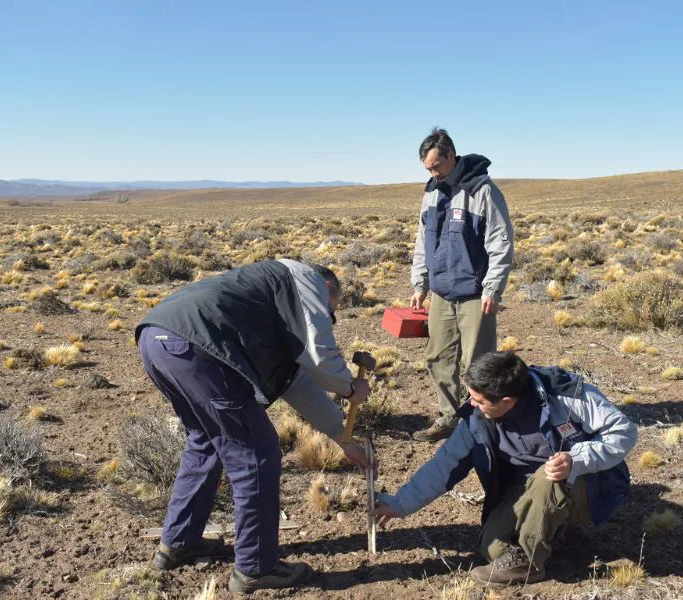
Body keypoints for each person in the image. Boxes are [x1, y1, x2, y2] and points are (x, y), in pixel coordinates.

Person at [135, 259, 373, 594]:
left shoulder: (270, 302)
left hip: (157, 338)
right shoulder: (306, 282)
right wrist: (350, 387)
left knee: (205, 442)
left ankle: (178, 543)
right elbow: (319, 355)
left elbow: (298, 384)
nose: (326, 319)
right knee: (256, 453)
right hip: (198, 348)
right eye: (328, 312)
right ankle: (256, 568)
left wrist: (341, 438)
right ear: (328, 289)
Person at [374, 351, 637, 585]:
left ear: (508, 401)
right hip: (521, 489)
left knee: (551, 472)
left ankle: (530, 564)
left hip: (583, 487)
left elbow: (624, 432)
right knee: (494, 549)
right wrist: (400, 504)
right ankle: (554, 534)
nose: (471, 404)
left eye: (479, 399)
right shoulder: (477, 417)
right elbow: (445, 465)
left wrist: (577, 460)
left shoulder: (565, 394)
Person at [411, 127, 515, 442]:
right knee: (439, 358)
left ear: (451, 156)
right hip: (442, 293)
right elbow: (421, 242)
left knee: (479, 364)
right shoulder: (431, 192)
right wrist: (420, 283)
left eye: (436, 167)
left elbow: (501, 240)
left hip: (474, 295)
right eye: (428, 169)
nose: (433, 173)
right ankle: (448, 417)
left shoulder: (482, 191)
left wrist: (493, 288)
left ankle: (482, 424)